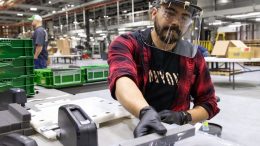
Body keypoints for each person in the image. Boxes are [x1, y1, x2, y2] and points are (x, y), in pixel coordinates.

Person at [108, 0, 220, 138]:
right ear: (154, 13)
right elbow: (122, 78)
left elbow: (209, 103)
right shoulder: (127, 43)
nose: (176, 23)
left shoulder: (193, 56)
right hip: (134, 127)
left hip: (174, 133)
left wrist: (183, 117)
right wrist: (145, 111)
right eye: (169, 13)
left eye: (184, 17)